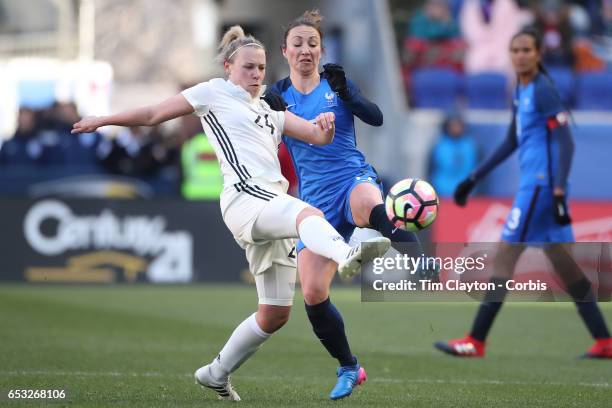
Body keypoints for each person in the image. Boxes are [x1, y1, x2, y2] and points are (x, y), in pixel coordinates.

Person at [72, 25, 391, 401]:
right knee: (308, 214)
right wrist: (104, 120)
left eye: (260, 68)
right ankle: (347, 254)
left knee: (275, 313)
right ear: (228, 67)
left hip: (270, 205)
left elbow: (318, 136)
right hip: (245, 199)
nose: (256, 75)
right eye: (248, 68)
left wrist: (326, 125)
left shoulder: (271, 111)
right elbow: (154, 113)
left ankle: (215, 372)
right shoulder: (214, 93)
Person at [266, 10, 423, 400]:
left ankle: (420, 265)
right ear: (285, 51)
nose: (305, 49)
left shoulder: (337, 85)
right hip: (314, 199)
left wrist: (351, 94)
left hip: (351, 176)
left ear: (321, 50)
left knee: (369, 202)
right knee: (313, 294)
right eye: (298, 43)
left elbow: (378, 118)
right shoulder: (275, 96)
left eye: (312, 43)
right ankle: (350, 367)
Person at [434, 27, 612, 359]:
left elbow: (566, 141)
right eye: (515, 50)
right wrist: (473, 177)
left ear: (538, 53)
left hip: (541, 187)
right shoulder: (521, 88)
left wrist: (558, 190)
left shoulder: (543, 90)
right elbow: (511, 140)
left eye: (527, 49)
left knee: (505, 254)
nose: (520, 55)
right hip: (539, 186)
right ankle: (604, 340)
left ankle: (476, 340)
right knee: (564, 262)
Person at [428, 112, 478, 197]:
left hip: (467, 194)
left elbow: (479, 171)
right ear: (447, 126)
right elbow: (430, 170)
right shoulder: (439, 145)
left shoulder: (472, 146)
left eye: (458, 125)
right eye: (453, 125)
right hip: (442, 193)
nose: (456, 128)